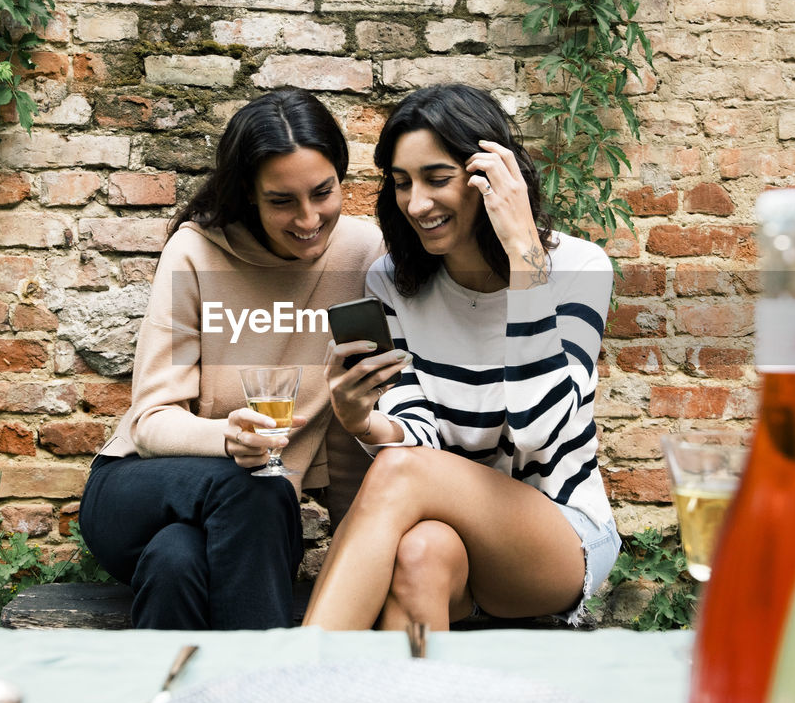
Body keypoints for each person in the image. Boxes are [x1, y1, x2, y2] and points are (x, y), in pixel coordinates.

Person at [302, 84, 619, 631]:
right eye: (402, 183)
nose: (417, 204)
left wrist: (525, 258)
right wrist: (362, 421)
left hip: (559, 536)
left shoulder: (579, 268)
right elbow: (418, 433)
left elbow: (540, 430)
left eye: (437, 179)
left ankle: (297, 678)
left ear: (491, 178)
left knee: (404, 475)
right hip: (445, 526)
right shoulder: (393, 282)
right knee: (420, 553)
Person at [79, 88, 382, 630]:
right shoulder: (196, 251)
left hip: (255, 524)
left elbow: (349, 423)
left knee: (178, 561)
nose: (309, 218)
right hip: (141, 490)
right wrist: (227, 438)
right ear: (249, 193)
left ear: (342, 178)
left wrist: (355, 556)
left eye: (323, 192)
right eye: (281, 201)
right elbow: (150, 422)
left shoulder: (363, 254)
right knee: (255, 480)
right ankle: (268, 698)